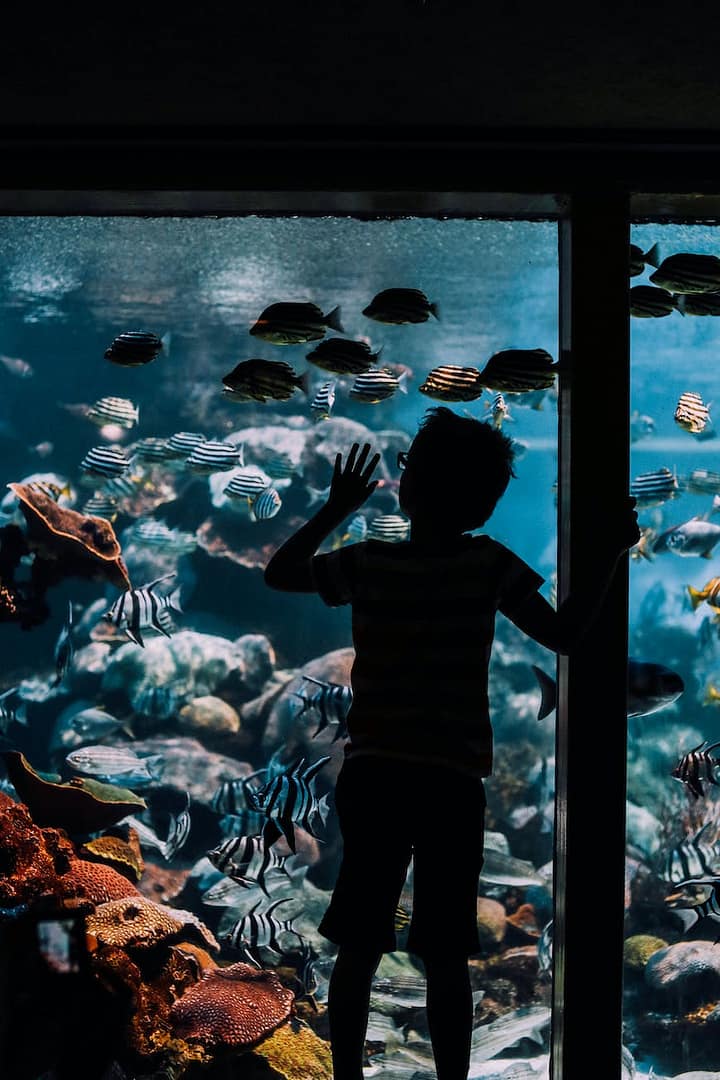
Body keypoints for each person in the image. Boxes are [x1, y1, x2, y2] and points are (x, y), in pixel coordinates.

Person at [263, 406, 639, 1080]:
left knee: (358, 944)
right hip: (452, 782)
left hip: (375, 773)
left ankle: (346, 1076)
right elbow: (566, 633)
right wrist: (611, 551)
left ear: (406, 489)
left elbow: (281, 574)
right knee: (444, 954)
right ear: (485, 502)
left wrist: (336, 508)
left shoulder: (370, 562)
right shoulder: (489, 564)